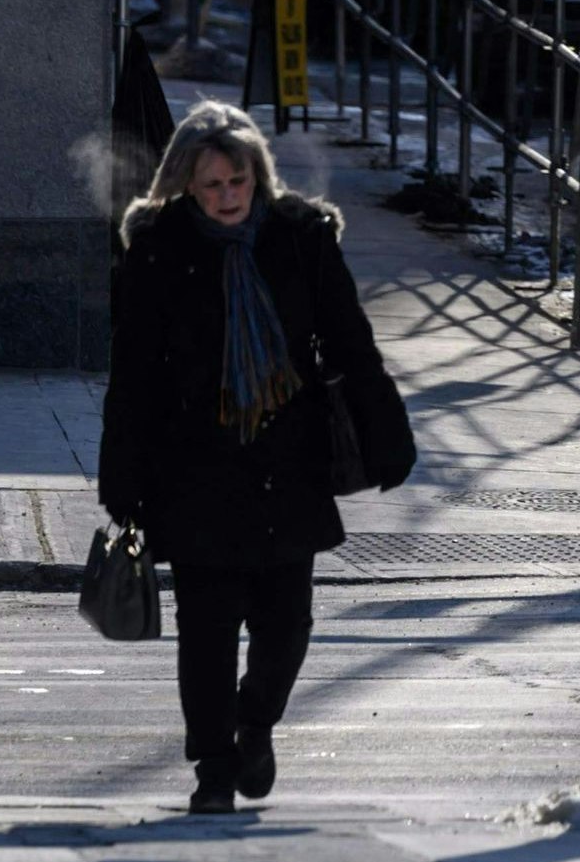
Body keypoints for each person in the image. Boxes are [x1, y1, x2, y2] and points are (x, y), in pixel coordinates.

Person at [97, 101, 392, 815]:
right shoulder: (158, 251)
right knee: (206, 633)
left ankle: (254, 723)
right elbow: (132, 372)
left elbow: (350, 343)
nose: (228, 198)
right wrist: (124, 478)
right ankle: (214, 768)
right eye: (211, 187)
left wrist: (388, 432)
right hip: (192, 469)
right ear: (185, 187)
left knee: (286, 626)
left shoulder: (300, 241)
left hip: (288, 464)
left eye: (238, 183)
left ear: (258, 176)